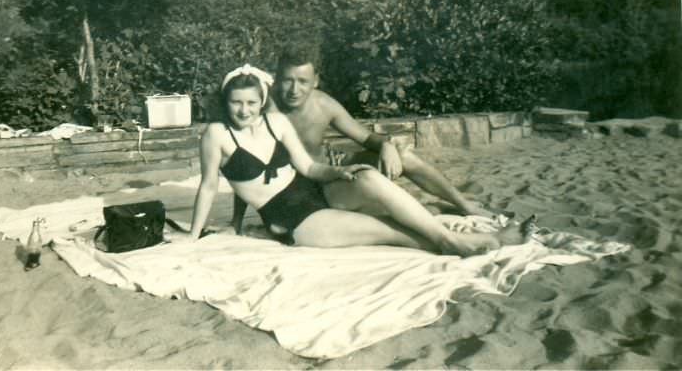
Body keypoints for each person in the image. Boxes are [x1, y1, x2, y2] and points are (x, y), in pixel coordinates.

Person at [169, 64, 523, 256]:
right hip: (293, 219)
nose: (243, 110)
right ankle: (455, 242)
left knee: (368, 176)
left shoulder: (276, 122)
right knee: (391, 232)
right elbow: (209, 186)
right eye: (236, 103)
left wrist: (340, 171)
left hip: (315, 191)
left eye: (250, 102)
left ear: (261, 101)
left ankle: (459, 238)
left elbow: (308, 168)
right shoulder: (215, 134)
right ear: (226, 102)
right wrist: (193, 235)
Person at [231, 46, 493, 235]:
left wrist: (386, 145)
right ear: (276, 78)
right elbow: (244, 166)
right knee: (397, 213)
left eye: (302, 81)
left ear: (316, 81)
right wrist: (236, 222)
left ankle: (465, 205)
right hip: (304, 196)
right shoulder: (263, 109)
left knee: (403, 155)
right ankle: (435, 209)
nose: (294, 89)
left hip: (332, 178)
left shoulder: (323, 105)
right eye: (287, 80)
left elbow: (365, 137)